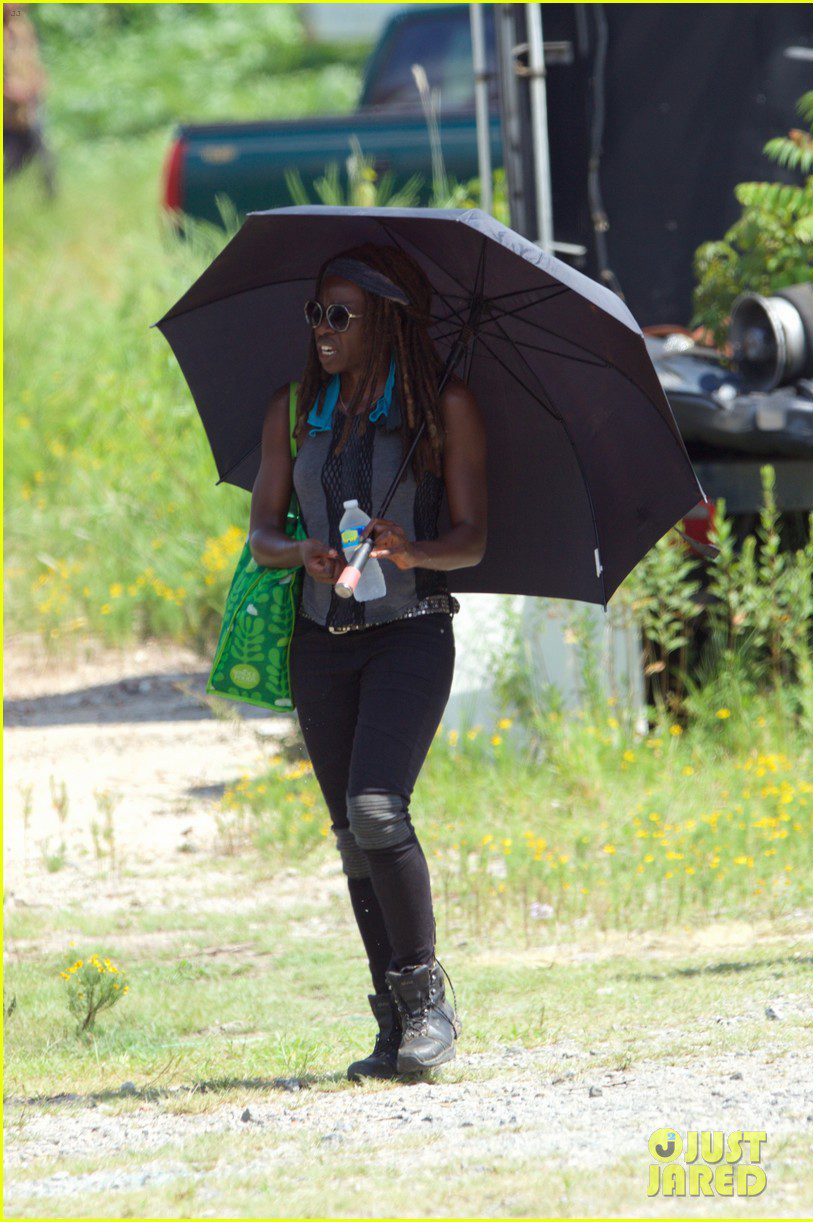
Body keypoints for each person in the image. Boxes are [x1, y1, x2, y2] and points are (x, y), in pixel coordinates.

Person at [248, 242, 487, 1079]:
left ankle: (428, 1004)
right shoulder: (293, 407)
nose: (322, 329)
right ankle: (390, 1021)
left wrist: (413, 547)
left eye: (340, 315)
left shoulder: (440, 406)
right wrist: (300, 553)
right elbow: (261, 532)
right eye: (315, 312)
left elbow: (472, 540)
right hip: (321, 644)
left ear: (384, 319)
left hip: (410, 631)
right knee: (353, 835)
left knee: (380, 808)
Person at [3, 3, 56, 194]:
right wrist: (10, 90)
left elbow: (32, 58)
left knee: (42, 150)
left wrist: (37, 81)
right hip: (8, 111)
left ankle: (51, 196)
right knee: (16, 154)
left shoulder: (21, 25)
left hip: (29, 105)